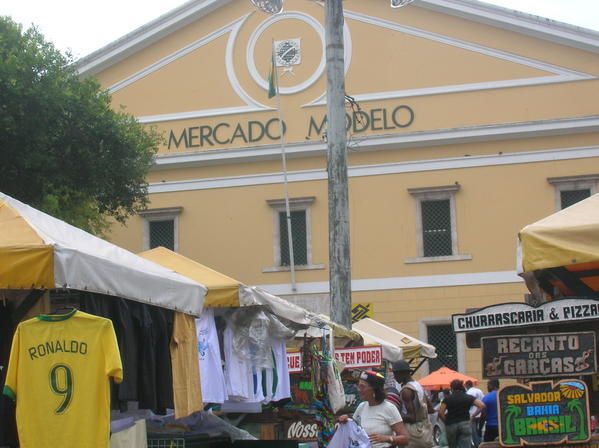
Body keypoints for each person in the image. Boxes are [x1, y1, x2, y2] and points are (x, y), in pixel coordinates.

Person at [339, 370, 409, 447]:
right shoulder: (362, 406)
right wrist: (346, 419)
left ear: (374, 389)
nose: (358, 389)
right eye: (358, 386)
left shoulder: (389, 408)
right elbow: (354, 427)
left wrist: (387, 438)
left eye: (362, 386)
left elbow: (405, 439)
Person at [392, 360, 434, 448]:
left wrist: (395, 416)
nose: (395, 377)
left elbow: (412, 417)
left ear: (403, 373)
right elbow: (430, 409)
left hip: (412, 433)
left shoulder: (406, 391)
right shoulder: (418, 386)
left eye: (395, 374)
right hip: (424, 429)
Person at [438, 379, 485, 448]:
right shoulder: (468, 397)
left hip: (451, 425)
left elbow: (441, 412)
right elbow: (481, 405)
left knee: (452, 445)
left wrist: (446, 421)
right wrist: (473, 416)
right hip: (465, 423)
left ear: (452, 388)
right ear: (461, 387)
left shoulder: (447, 398)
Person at [465, 380, 484, 447]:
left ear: (467, 385)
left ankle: (477, 445)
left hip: (472, 414)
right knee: (479, 430)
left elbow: (468, 403)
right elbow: (483, 401)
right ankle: (480, 443)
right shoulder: (479, 390)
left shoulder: (469, 392)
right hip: (480, 413)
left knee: (473, 431)